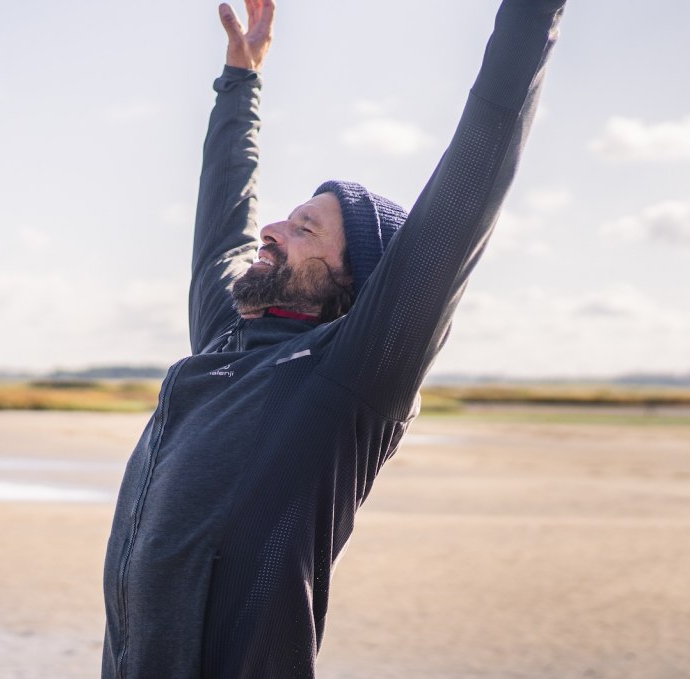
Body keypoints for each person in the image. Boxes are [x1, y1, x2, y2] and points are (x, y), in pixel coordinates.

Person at [99, 0, 568, 676]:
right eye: (286, 219)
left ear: (356, 283)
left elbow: (479, 161)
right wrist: (241, 82)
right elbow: (225, 215)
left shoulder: (348, 377)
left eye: (305, 229)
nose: (272, 232)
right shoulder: (228, 342)